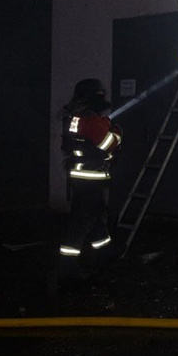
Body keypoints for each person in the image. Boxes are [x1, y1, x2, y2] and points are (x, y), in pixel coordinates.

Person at [57, 78, 122, 283]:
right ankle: (68, 268)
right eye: (100, 93)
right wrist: (117, 132)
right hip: (91, 178)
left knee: (94, 218)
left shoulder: (73, 117)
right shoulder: (90, 119)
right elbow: (107, 144)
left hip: (81, 176)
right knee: (81, 222)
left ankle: (105, 254)